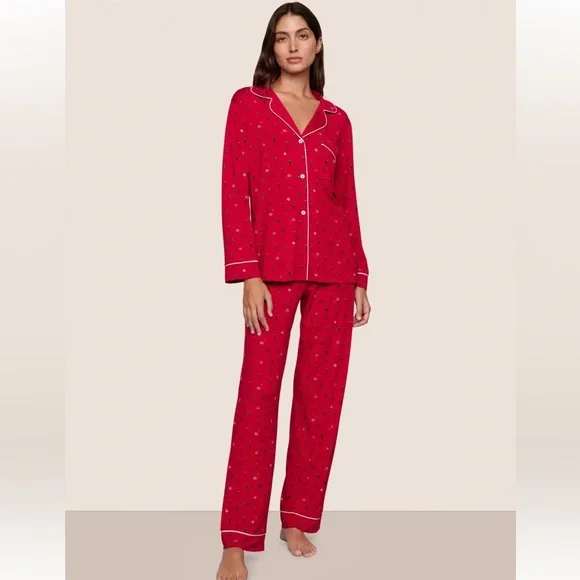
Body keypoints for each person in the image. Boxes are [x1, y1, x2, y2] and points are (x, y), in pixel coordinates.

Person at [216, 3, 371, 579]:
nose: (294, 46)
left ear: (318, 43)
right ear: (272, 47)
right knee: (258, 397)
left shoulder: (336, 120)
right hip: (272, 270)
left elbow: (346, 200)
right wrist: (248, 272)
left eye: (303, 35)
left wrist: (359, 274)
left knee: (319, 398)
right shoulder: (248, 105)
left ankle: (297, 517)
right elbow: (234, 189)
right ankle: (237, 537)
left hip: (333, 269)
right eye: (283, 38)